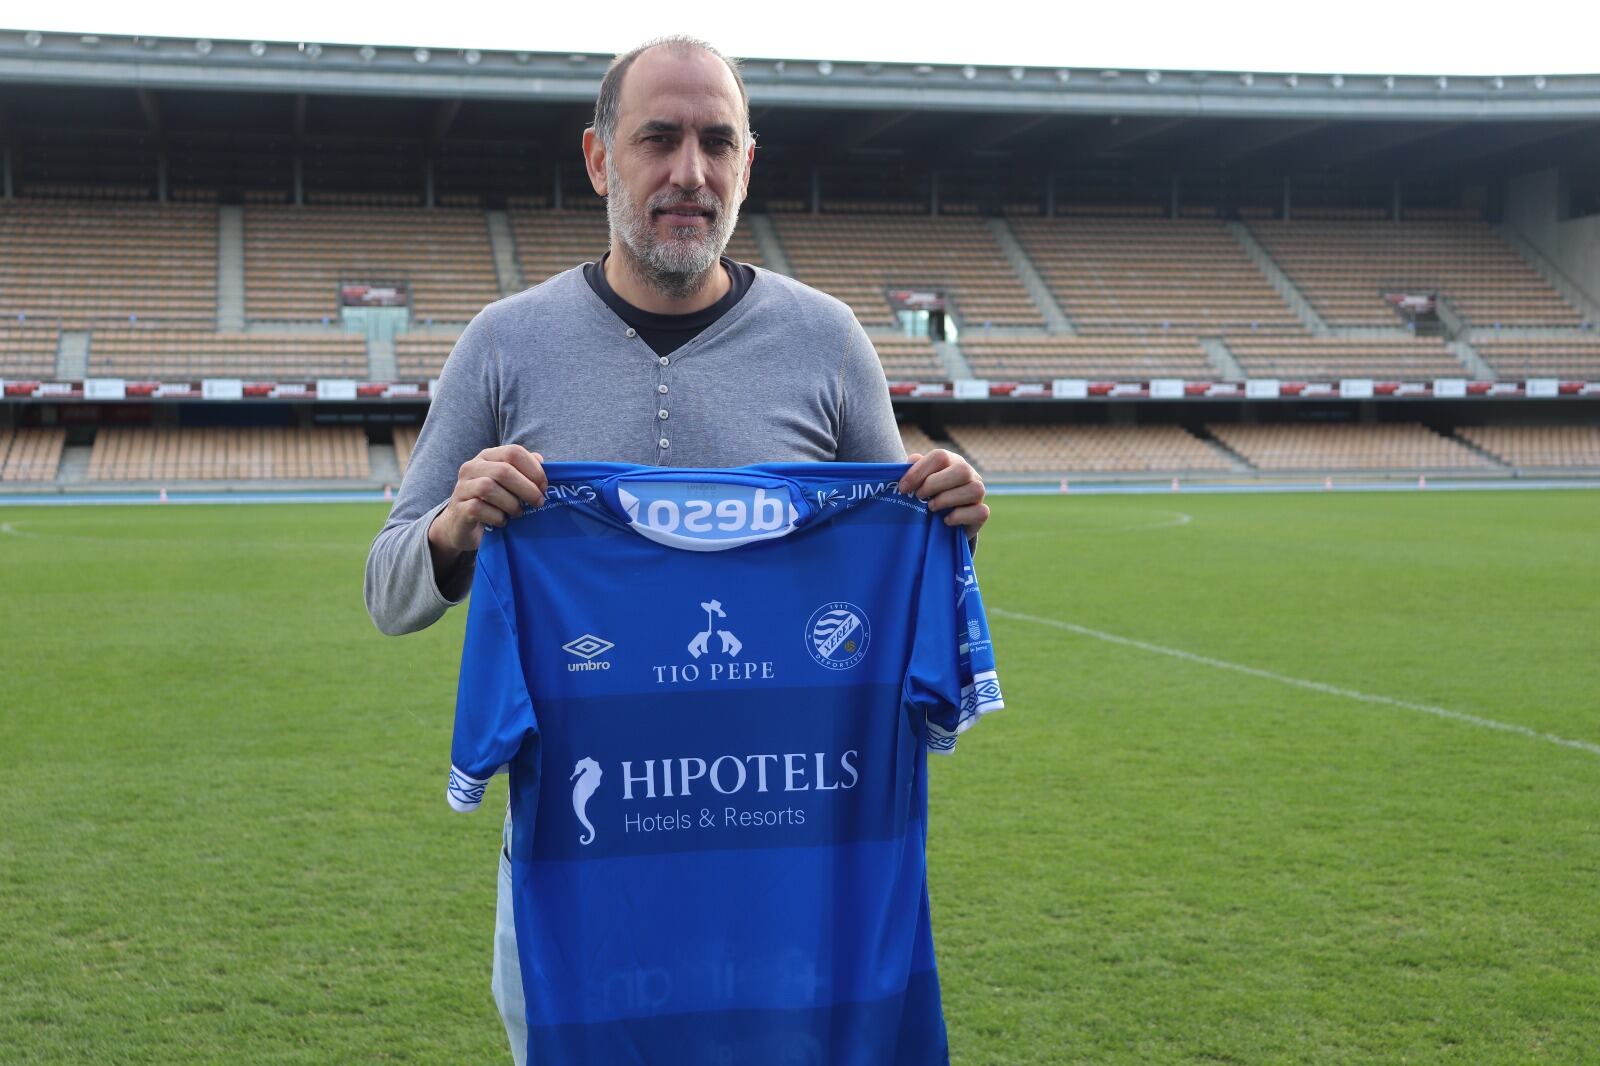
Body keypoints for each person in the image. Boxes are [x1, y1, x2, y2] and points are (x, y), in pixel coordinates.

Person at [363, 34, 989, 1062]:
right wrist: (453, 525)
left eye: (716, 142)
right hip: (583, 864)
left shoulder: (827, 341)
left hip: (789, 861)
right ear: (599, 157)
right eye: (658, 139)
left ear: (748, 162)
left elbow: (884, 579)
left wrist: (943, 517)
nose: (688, 173)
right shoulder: (505, 343)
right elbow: (389, 590)